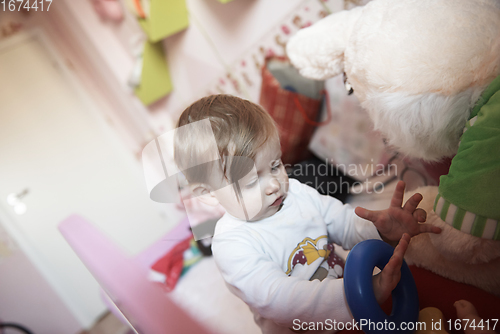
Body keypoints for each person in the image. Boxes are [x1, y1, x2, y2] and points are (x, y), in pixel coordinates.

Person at [173, 94, 440, 333]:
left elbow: (343, 223)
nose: (274, 184)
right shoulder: (232, 245)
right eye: (252, 181)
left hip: (355, 301)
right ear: (208, 193)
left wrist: (380, 229)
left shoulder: (296, 193)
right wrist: (362, 293)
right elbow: (282, 300)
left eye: (276, 165)